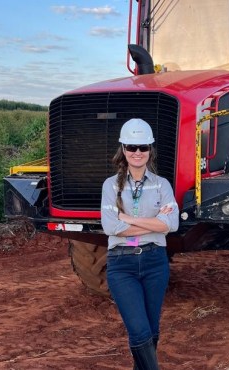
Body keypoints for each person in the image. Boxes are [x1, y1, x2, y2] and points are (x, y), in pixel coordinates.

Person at [101, 118, 179, 370]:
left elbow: (172, 224)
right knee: (138, 330)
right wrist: (154, 222)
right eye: (132, 147)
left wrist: (128, 219)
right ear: (123, 149)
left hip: (155, 261)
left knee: (152, 329)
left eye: (143, 147)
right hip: (121, 265)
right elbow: (111, 227)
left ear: (150, 150)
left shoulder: (162, 185)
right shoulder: (110, 186)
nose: (137, 153)